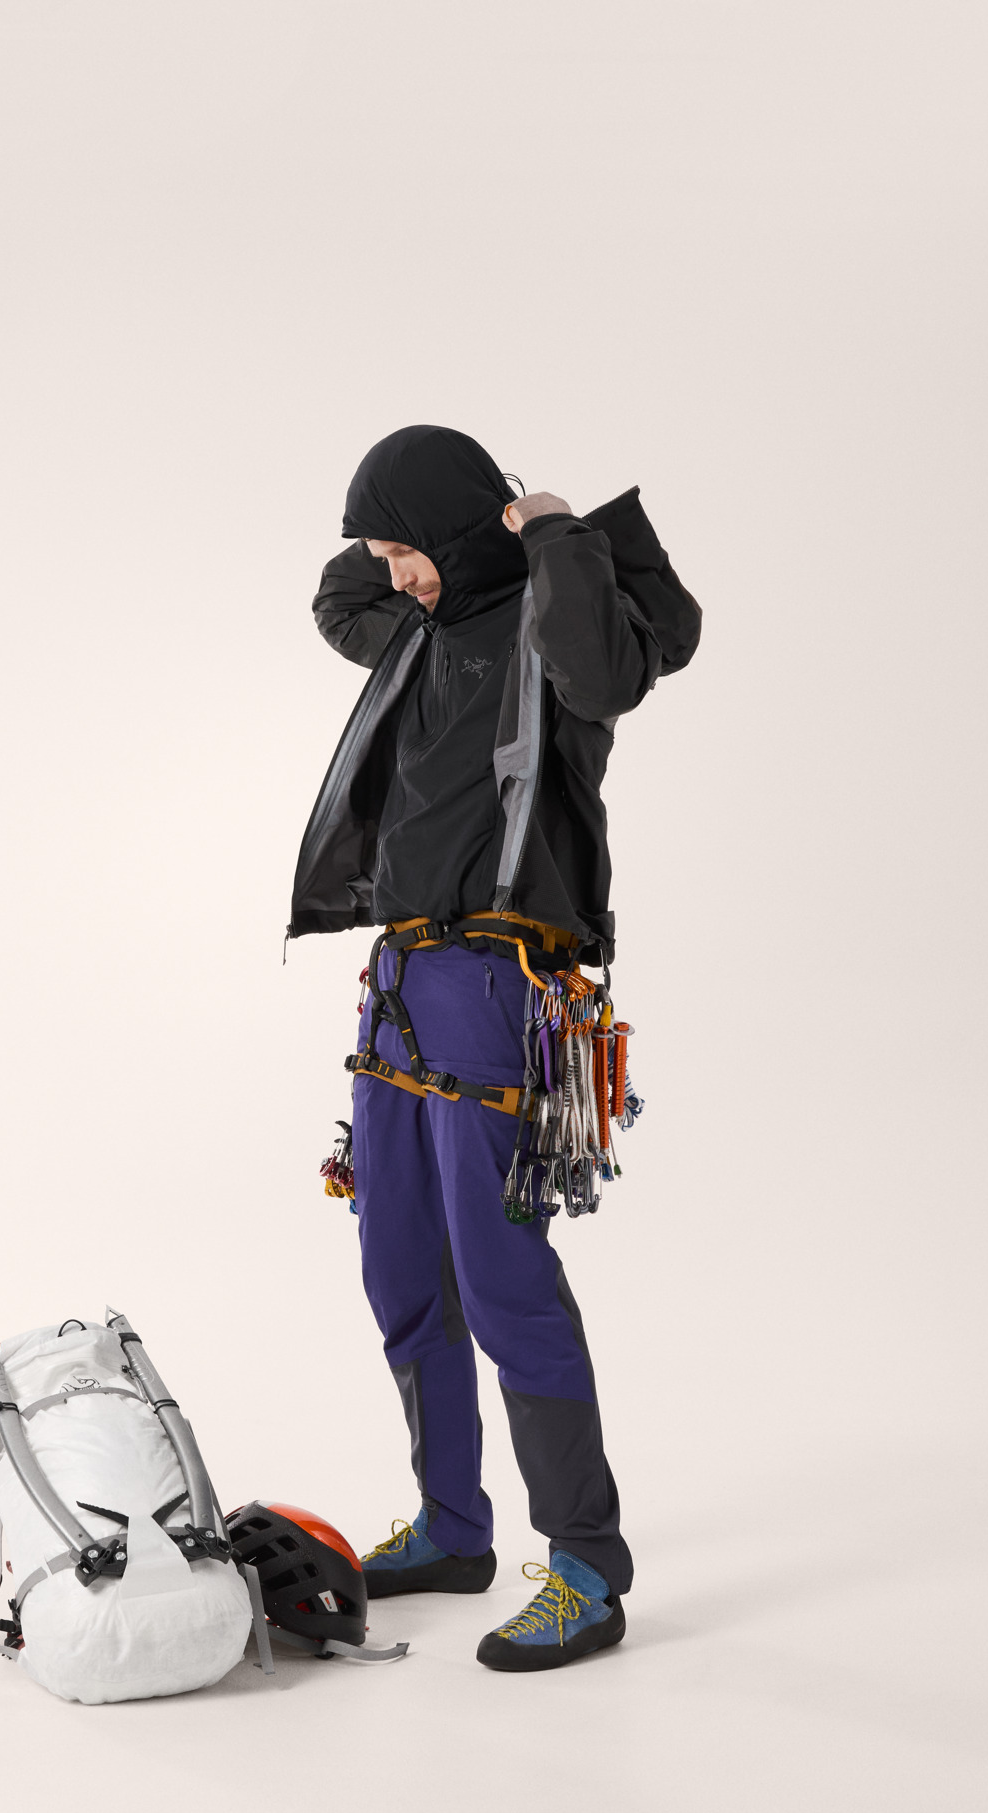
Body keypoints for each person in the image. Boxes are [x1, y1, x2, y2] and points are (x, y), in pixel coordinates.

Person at [288, 425, 700, 1671]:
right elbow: (337, 595)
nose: (394, 577)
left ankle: (588, 1566)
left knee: (502, 1271)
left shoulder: (557, 624)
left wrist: (548, 526)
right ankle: (454, 1528)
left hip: (498, 984)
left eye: (406, 551)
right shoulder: (415, 626)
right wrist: (422, 542)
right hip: (401, 980)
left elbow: (610, 675)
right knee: (401, 1262)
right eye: (388, 554)